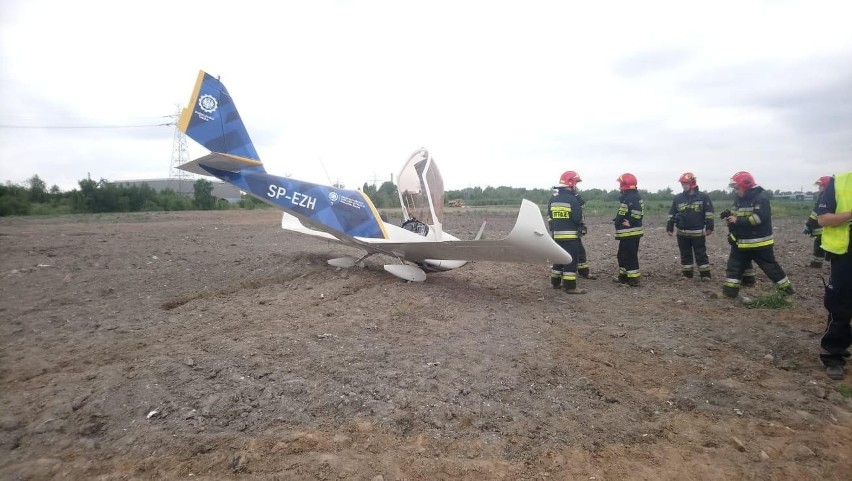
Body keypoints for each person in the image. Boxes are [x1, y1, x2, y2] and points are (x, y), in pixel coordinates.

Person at [722, 171, 794, 301]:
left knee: (771, 268)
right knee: (733, 268)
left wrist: (737, 220)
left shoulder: (761, 199)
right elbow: (734, 216)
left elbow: (758, 218)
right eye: (734, 188)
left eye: (737, 188)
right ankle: (729, 293)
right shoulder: (738, 200)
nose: (735, 191)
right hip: (741, 243)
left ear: (745, 186)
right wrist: (731, 224)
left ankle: (787, 293)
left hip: (759, 244)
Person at [816, 171, 852, 380]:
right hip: (845, 253)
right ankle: (834, 355)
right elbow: (823, 219)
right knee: (840, 306)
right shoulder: (839, 182)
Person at [547, 171, 590, 294]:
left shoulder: (553, 198)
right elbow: (577, 218)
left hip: (556, 235)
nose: (577, 185)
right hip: (571, 236)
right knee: (571, 260)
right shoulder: (573, 199)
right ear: (571, 184)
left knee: (558, 257)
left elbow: (550, 216)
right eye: (576, 183)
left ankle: (555, 282)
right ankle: (570, 287)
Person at [666, 172, 715, 280]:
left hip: (697, 232)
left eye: (685, 183)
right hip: (682, 233)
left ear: (692, 183)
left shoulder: (703, 197)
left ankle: (705, 275)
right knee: (685, 254)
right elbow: (672, 213)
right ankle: (687, 275)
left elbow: (709, 213)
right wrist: (669, 227)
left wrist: (710, 226)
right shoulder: (678, 198)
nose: (683, 186)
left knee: (700, 254)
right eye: (682, 184)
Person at [613, 173, 644, 286]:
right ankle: (624, 276)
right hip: (626, 234)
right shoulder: (629, 197)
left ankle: (633, 279)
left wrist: (630, 221)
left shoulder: (632, 197)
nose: (619, 186)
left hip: (631, 233)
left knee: (629, 256)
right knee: (622, 255)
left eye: (621, 184)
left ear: (625, 185)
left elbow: (638, 212)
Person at [804, 176, 832, 268]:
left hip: (824, 225)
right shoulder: (831, 194)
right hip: (829, 224)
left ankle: (817, 263)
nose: (819, 187)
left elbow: (816, 212)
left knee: (820, 243)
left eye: (820, 185)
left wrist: (809, 224)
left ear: (825, 185)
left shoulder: (825, 195)